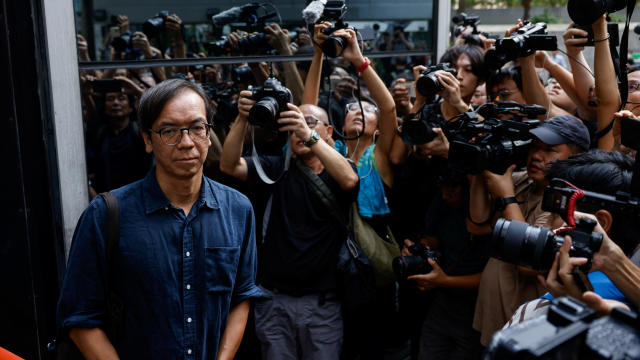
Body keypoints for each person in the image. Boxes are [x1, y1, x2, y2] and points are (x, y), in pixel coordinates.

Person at [57, 79, 261, 359]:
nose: (187, 142)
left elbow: (241, 296)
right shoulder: (106, 214)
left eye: (197, 128)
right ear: (147, 140)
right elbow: (79, 317)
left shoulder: (238, 210)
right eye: (169, 131)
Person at [219, 89, 359, 359]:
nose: (301, 130)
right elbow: (229, 165)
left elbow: (350, 181)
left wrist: (310, 135)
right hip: (274, 300)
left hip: (322, 303)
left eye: (309, 122)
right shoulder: (276, 168)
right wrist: (242, 117)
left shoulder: (339, 171)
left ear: (329, 131)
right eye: (295, 125)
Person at [469, 115, 591, 346]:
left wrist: (506, 198)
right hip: (493, 316)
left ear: (576, 157)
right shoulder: (524, 181)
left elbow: (526, 263)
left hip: (525, 329)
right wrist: (480, 167)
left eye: (550, 150)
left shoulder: (570, 204)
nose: (536, 156)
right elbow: (476, 223)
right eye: (535, 147)